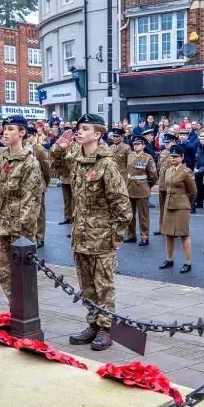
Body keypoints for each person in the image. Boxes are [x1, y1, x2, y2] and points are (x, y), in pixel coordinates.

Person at [52, 114, 132, 351]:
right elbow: (55, 169)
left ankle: (106, 329)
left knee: (104, 285)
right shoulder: (76, 158)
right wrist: (59, 148)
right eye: (79, 128)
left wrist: (117, 236)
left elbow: (122, 205)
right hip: (81, 232)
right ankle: (93, 324)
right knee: (86, 285)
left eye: (85, 128)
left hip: (102, 234)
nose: (79, 131)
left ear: (97, 134)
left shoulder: (106, 164)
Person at [0, 116, 43, 305]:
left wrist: (21, 233)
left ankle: (25, 314)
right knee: (5, 273)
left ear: (22, 133)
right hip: (1, 224)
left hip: (19, 229)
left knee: (22, 274)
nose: (6, 132)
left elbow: (31, 201)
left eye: (11, 129)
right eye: (4, 128)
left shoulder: (30, 163)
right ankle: (15, 309)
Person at [158, 144, 196, 273]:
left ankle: (187, 262)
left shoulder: (186, 172)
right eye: (172, 156)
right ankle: (169, 259)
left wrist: (186, 203)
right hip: (169, 205)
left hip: (181, 206)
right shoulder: (168, 170)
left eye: (176, 156)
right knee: (168, 234)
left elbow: (193, 192)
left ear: (182, 157)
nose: (173, 158)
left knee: (183, 234)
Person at [125, 135, 157, 246]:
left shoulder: (148, 157)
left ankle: (144, 237)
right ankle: (131, 235)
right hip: (130, 189)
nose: (135, 146)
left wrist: (147, 186)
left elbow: (153, 176)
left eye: (138, 144)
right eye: (134, 144)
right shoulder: (130, 156)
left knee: (143, 216)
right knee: (130, 215)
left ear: (143, 145)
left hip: (142, 190)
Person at [29, 126, 52, 249]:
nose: (26, 138)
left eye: (29, 136)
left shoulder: (39, 150)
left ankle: (40, 236)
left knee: (39, 213)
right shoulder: (19, 148)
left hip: (37, 186)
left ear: (34, 136)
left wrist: (44, 184)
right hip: (24, 186)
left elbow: (47, 171)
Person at [154, 134, 176, 236]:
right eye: (166, 143)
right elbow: (159, 167)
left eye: (169, 143)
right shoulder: (163, 153)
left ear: (174, 142)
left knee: (172, 207)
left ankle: (173, 229)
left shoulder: (176, 154)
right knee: (162, 207)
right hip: (162, 183)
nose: (167, 144)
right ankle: (162, 227)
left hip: (171, 184)